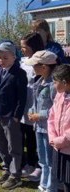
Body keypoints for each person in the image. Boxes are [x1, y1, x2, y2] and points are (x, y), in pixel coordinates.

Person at [0, 42, 27, 190]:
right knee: (1, 144)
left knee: (14, 146)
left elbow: (22, 97)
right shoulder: (0, 71)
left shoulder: (19, 73)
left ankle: (15, 175)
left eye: (5, 57)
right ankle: (7, 169)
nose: (1, 60)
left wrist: (16, 116)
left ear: (14, 57)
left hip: (10, 116)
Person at [25, 50, 59, 192]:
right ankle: (43, 184)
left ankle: (51, 186)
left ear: (44, 67)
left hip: (49, 128)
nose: (33, 67)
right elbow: (35, 102)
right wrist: (32, 110)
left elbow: (56, 108)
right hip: (38, 127)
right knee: (42, 158)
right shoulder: (38, 82)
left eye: (35, 65)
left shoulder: (53, 85)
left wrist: (40, 115)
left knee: (50, 160)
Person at [19, 33, 44, 180]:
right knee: (26, 134)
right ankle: (29, 163)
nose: (22, 49)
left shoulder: (41, 62)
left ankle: (38, 166)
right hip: (25, 103)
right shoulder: (23, 61)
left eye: (24, 46)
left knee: (35, 136)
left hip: (37, 105)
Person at [49, 64, 70, 192]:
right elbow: (51, 116)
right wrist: (53, 137)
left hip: (67, 148)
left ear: (65, 82)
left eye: (55, 81)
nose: (53, 85)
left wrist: (61, 141)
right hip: (59, 148)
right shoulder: (59, 95)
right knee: (61, 181)